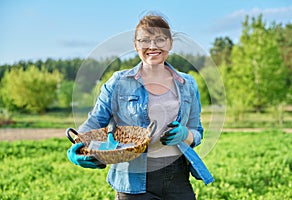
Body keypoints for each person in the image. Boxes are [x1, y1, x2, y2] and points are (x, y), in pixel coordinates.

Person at [67, 14, 213, 200]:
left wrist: (185, 134)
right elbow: (96, 121)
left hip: (177, 176)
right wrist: (77, 146)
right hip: (132, 178)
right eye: (145, 40)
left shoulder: (188, 84)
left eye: (160, 40)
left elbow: (197, 130)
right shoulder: (118, 82)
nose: (152, 46)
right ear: (136, 45)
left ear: (169, 44)